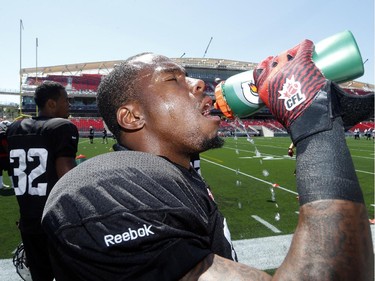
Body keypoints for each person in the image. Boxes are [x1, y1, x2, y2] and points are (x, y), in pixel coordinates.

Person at [42, 42, 374, 280]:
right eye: (173, 79)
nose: (200, 83)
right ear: (132, 117)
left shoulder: (174, 174)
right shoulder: (107, 190)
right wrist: (315, 127)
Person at [7, 81, 79, 281]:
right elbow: (65, 171)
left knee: (40, 276)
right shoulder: (62, 126)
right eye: (65, 101)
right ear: (51, 104)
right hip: (57, 218)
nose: (69, 105)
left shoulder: (14, 128)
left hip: (28, 218)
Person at [0, 121, 11, 189]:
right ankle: (13, 184)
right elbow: (5, 145)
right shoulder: (4, 135)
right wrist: (9, 153)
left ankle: (0, 185)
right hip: (4, 156)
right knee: (10, 170)